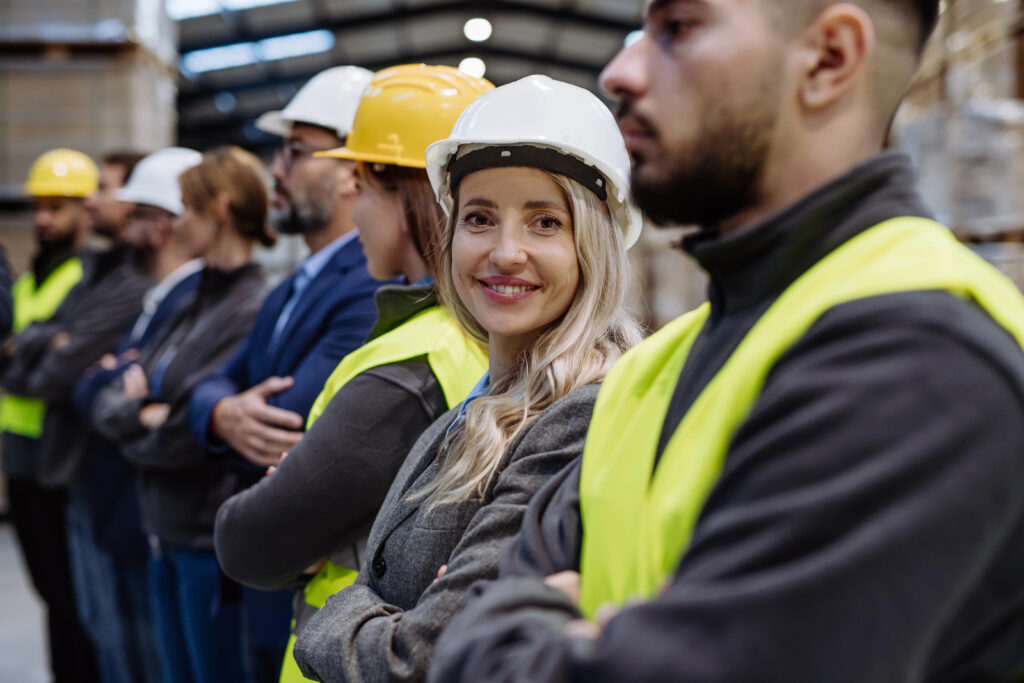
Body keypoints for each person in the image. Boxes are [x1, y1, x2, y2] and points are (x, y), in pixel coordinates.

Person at [428, 1, 1024, 681]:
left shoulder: (920, 365)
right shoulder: (654, 368)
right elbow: (468, 627)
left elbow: (472, 637)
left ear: (828, 58)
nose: (621, 71)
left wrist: (502, 631)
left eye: (677, 29)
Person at [291, 73, 643, 682]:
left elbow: (419, 660)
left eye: (545, 223)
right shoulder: (486, 400)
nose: (506, 251)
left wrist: (327, 610)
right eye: (480, 218)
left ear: (595, 245)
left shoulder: (579, 417)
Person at [214, 63, 493, 683]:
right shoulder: (477, 336)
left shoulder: (411, 363)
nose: (355, 212)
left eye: (361, 189)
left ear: (401, 194)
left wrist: (289, 485)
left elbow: (249, 539)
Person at [187, 67, 384, 682]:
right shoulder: (288, 289)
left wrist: (220, 405)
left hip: (299, 581)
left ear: (355, 169)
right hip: (265, 576)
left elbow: (292, 419)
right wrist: (219, 411)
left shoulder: (373, 288)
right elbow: (212, 382)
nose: (276, 170)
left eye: (296, 152)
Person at [92, 145, 273, 683]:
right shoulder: (195, 299)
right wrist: (146, 414)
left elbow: (187, 437)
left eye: (187, 209)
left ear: (217, 211)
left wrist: (145, 411)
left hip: (204, 542)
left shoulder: (251, 304)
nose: (178, 223)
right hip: (163, 527)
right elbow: (115, 399)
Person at [74, 146, 205, 683]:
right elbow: (90, 387)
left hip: (150, 516)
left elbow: (166, 415)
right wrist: (118, 389)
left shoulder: (190, 302)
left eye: (136, 217)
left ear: (161, 227)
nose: (123, 228)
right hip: (128, 512)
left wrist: (115, 388)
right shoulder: (157, 300)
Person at [0, 148, 102, 683]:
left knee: (71, 597)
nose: (44, 218)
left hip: (60, 461)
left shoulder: (87, 279)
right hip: (21, 457)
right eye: (40, 206)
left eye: (58, 207)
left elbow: (52, 365)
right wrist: (27, 349)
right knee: (48, 593)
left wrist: (23, 352)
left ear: (86, 210)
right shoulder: (27, 281)